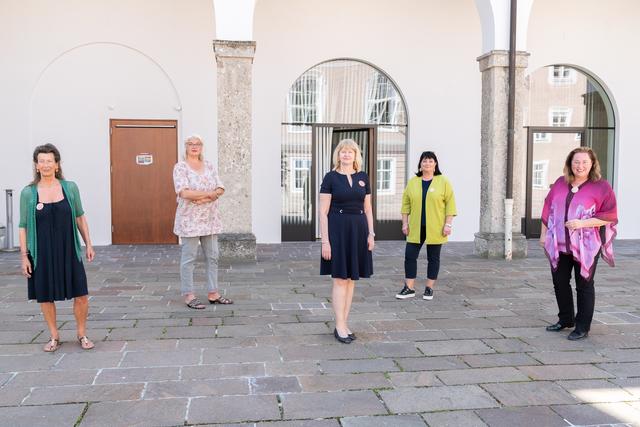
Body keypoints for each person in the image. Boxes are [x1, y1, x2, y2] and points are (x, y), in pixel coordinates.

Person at [19, 144, 95, 352]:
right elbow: (23, 227)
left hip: (68, 249)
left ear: (57, 164)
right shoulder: (28, 193)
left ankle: (82, 333)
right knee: (45, 295)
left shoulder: (70, 188)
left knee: (81, 293)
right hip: (41, 253)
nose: (45, 165)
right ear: (36, 165)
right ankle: (54, 336)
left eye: (49, 161)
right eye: (41, 161)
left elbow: (80, 216)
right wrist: (24, 256)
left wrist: (88, 243)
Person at [541, 147, 617, 340]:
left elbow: (609, 216)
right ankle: (566, 319)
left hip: (586, 247)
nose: (580, 166)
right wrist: (543, 236)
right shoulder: (560, 182)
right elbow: (548, 208)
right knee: (559, 282)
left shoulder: (602, 187)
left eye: (584, 162)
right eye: (576, 162)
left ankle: (582, 326)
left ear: (592, 164)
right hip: (559, 244)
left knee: (584, 284)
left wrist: (582, 223)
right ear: (570, 163)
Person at [319, 139, 374, 344]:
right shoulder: (330, 177)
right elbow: (323, 212)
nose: (346, 155)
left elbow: (367, 209)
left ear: (356, 155)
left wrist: (371, 234)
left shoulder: (363, 177)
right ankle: (339, 325)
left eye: (351, 151)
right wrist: (325, 241)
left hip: (358, 231)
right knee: (340, 279)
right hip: (338, 231)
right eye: (343, 151)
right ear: (338, 155)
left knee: (351, 279)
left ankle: (345, 322)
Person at [173, 134, 232, 309]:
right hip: (189, 220)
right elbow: (184, 193)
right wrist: (209, 194)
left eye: (197, 143)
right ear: (186, 147)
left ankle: (213, 293)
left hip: (210, 219)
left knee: (213, 257)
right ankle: (189, 295)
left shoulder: (209, 166)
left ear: (202, 147)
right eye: (190, 143)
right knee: (189, 258)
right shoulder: (180, 167)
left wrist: (206, 198)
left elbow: (220, 187)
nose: (194, 146)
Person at [396, 151, 457, 301]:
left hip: (436, 227)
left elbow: (450, 204)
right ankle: (409, 288)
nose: (427, 164)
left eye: (430, 161)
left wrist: (448, 224)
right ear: (420, 164)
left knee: (433, 258)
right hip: (415, 227)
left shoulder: (443, 181)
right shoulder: (413, 182)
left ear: (435, 164)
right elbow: (405, 204)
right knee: (409, 256)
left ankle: (429, 288)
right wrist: (405, 223)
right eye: (424, 161)